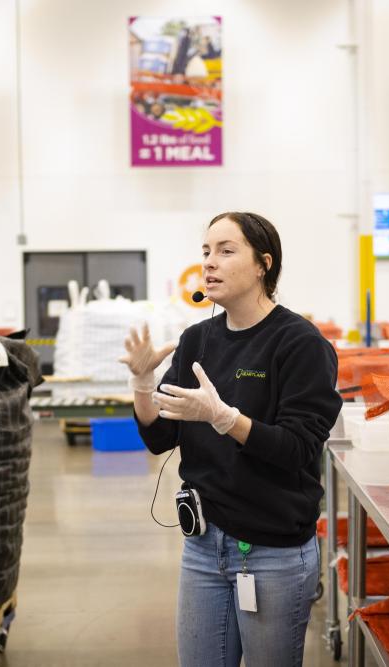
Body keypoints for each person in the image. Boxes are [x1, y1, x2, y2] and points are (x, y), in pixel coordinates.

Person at [119, 212, 342, 667]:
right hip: (203, 546)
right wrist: (143, 384)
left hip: (273, 551)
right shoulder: (197, 339)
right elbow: (161, 436)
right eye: (205, 251)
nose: (210, 263)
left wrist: (225, 419)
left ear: (263, 264)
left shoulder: (299, 343)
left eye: (225, 250)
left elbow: (299, 448)